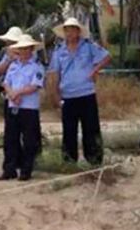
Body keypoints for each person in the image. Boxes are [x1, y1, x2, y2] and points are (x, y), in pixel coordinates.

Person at [47, 18, 111, 165]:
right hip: (68, 95)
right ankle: (69, 161)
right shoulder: (59, 51)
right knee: (69, 130)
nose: (69, 33)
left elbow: (106, 56)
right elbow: (55, 73)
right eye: (67, 30)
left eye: (72, 30)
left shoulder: (88, 46)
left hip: (86, 93)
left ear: (78, 31)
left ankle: (94, 160)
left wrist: (95, 69)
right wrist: (55, 95)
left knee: (91, 128)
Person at [0, 35, 45, 181]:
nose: (23, 51)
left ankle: (26, 170)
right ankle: (9, 169)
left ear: (31, 49)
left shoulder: (37, 66)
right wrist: (11, 94)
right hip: (13, 105)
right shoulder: (13, 65)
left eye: (26, 48)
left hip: (28, 107)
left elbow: (35, 85)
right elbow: (6, 83)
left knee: (29, 140)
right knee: (10, 139)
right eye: (21, 48)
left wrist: (17, 93)